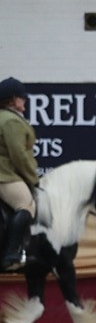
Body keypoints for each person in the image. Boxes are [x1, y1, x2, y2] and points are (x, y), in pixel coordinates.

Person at [0, 76, 38, 270]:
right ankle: (11, 254)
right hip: (4, 175)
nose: (25, 101)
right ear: (14, 99)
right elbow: (19, 155)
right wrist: (33, 178)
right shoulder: (10, 121)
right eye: (23, 98)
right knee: (26, 204)